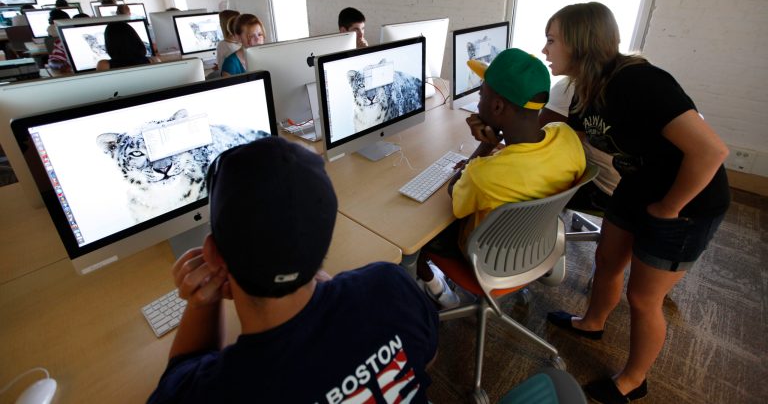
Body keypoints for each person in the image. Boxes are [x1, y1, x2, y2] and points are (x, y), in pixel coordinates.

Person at [147, 137, 439, 403]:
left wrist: (201, 302)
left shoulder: (214, 392)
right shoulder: (390, 287)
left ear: (212, 254)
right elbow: (427, 359)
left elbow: (178, 379)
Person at [542, 2, 730, 404]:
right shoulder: (584, 88)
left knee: (644, 298)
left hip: (688, 201)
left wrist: (668, 209)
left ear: (579, 43)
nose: (545, 50)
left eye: (552, 40)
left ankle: (633, 380)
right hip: (638, 185)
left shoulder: (641, 82)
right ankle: (592, 322)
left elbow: (711, 152)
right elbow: (562, 137)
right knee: (607, 261)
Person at [415, 48, 587, 308]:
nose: (478, 101)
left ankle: (435, 288)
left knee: (416, 232)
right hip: (533, 246)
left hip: (483, 260)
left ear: (497, 106)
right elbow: (524, 162)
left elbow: (454, 192)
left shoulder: (484, 174)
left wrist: (485, 146)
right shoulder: (566, 136)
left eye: (481, 94)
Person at [539, 76, 620, 212]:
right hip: (625, 189)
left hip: (605, 193)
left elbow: (542, 145)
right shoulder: (600, 83)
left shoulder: (570, 86)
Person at [46, 8, 71, 73]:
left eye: (50, 18)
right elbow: (53, 61)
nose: (48, 19)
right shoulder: (61, 43)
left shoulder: (50, 28)